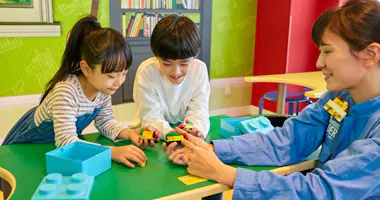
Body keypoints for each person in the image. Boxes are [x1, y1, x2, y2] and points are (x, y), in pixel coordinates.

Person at [164, 0, 380, 199]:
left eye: (328, 51)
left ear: (370, 55)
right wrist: (212, 150)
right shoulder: (339, 97)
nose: (318, 62)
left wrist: (226, 174)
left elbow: (320, 192)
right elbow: (289, 140)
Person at [3, 16, 157, 168]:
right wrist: (112, 152)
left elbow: (105, 122)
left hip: (54, 148)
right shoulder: (65, 91)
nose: (119, 82)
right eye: (111, 76)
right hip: (26, 148)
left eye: (123, 73)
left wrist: (129, 133)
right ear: (86, 69)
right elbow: (66, 141)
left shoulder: (103, 89)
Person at [130, 14, 210, 140]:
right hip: (153, 135)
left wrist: (195, 131)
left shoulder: (199, 70)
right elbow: (151, 117)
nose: (176, 72)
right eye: (167, 63)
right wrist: (172, 135)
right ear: (157, 56)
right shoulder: (147, 71)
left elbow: (199, 111)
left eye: (184, 63)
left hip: (186, 133)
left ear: (194, 57)